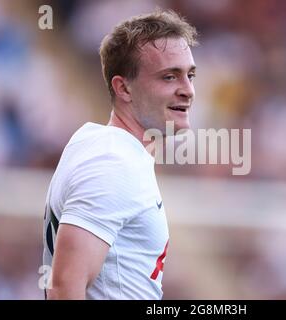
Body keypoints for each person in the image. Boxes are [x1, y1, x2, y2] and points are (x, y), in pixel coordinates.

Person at [42, 9, 198, 300]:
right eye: (169, 77)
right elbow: (64, 286)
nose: (187, 90)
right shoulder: (113, 162)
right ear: (123, 88)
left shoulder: (104, 147)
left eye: (189, 75)